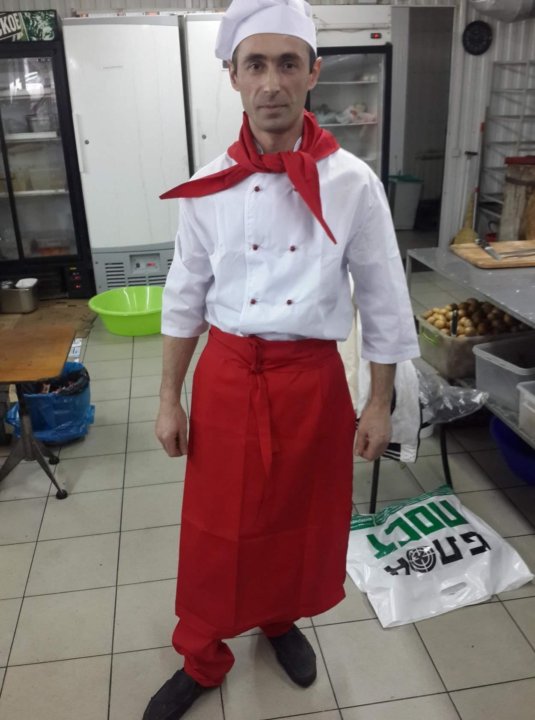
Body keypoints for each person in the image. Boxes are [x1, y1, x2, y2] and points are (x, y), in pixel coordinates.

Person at [145, 1, 419, 718]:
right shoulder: (208, 184)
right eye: (256, 65)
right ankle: (202, 655)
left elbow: (383, 298)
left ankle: (277, 619)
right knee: (217, 531)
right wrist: (170, 397)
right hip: (230, 377)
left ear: (312, 74)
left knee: (298, 518)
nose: (272, 82)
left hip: (311, 381)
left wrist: (379, 402)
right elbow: (184, 295)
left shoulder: (352, 182)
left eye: (288, 64)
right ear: (233, 76)